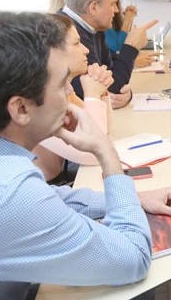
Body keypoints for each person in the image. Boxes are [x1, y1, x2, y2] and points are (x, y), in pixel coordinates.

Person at [0, 11, 171, 300]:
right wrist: (105, 152)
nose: (71, 94)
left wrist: (130, 197)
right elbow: (133, 258)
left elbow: (46, 199)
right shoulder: (4, 194)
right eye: (62, 85)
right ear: (21, 108)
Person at [33, 15, 113, 182]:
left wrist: (101, 93)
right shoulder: (39, 97)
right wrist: (92, 96)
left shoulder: (64, 88)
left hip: (58, 182)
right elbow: (93, 154)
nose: (86, 50)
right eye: (77, 43)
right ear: (52, 51)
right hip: (44, 188)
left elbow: (104, 133)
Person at [61, 0, 157, 109]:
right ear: (93, 7)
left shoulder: (93, 28)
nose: (117, 10)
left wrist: (126, 95)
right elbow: (104, 90)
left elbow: (111, 74)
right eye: (113, 4)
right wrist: (131, 47)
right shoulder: (67, 33)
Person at [100, 0, 153, 68]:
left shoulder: (115, 12)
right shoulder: (101, 16)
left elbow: (123, 42)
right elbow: (118, 46)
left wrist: (129, 19)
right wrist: (128, 20)